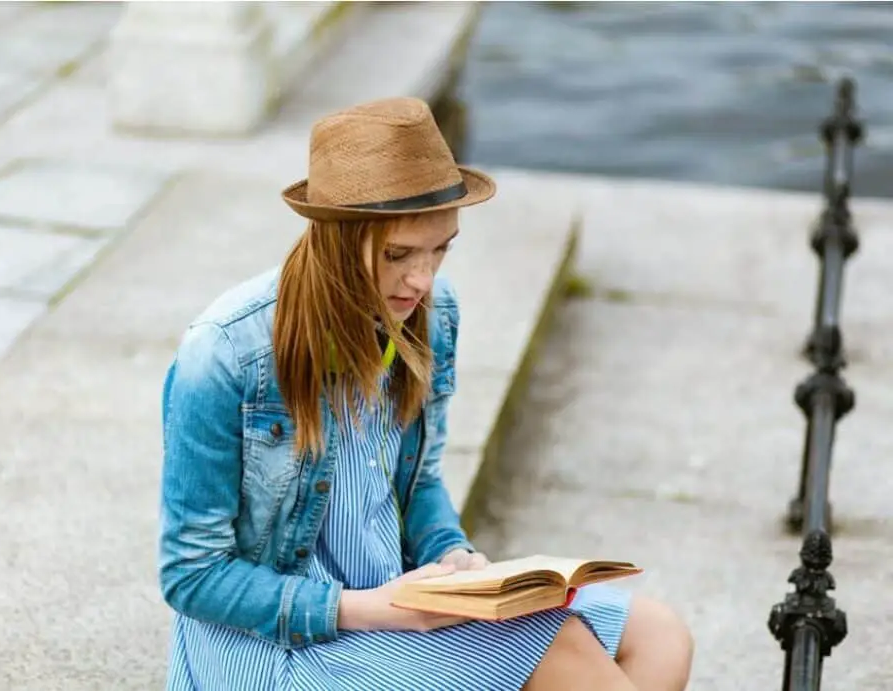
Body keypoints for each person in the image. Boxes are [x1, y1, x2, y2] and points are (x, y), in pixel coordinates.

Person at [158, 96, 694, 690]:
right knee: (565, 652)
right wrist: (376, 608)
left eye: (441, 249)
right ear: (337, 240)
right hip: (282, 640)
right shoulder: (226, 354)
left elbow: (420, 482)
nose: (423, 278)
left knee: (659, 635)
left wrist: (453, 557)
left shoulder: (431, 318)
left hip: (400, 599)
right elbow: (192, 575)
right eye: (399, 255)